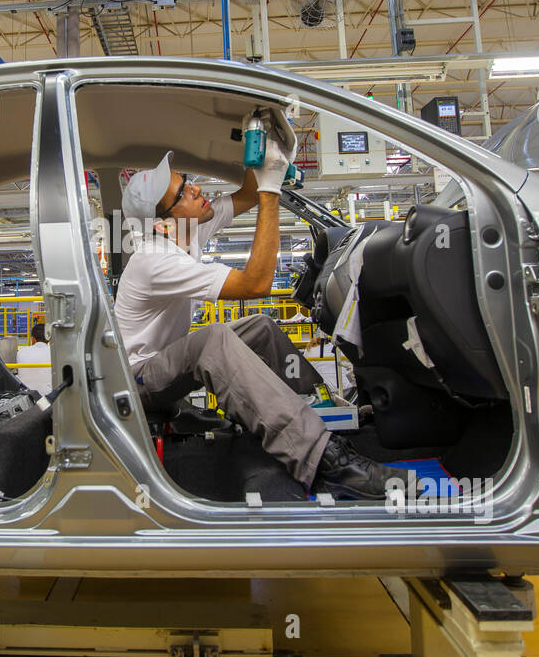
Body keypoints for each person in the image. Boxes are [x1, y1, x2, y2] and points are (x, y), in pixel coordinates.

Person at [114, 140, 411, 500]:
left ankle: (319, 408)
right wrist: (271, 192)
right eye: (183, 193)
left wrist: (272, 151)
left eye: (188, 180)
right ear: (162, 226)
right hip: (136, 379)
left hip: (160, 364)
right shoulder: (154, 259)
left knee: (259, 328)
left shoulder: (189, 229)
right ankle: (327, 463)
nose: (196, 189)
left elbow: (249, 192)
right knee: (213, 340)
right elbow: (257, 283)